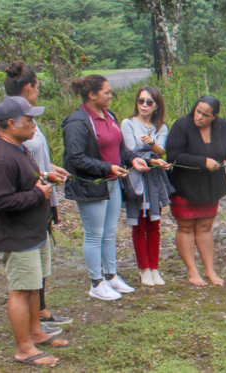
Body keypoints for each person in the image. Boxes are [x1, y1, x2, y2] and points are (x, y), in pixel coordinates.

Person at [0, 96, 70, 367]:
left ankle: (36, 332)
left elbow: (23, 183)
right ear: (11, 124)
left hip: (33, 231)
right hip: (17, 235)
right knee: (20, 290)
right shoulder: (1, 157)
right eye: (30, 120)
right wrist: (38, 192)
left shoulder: (17, 148)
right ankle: (24, 348)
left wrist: (45, 176)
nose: (35, 125)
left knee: (34, 285)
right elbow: (0, 201)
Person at [62, 75, 156, 300]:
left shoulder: (109, 116)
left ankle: (111, 275)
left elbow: (120, 148)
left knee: (110, 233)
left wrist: (132, 159)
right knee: (94, 234)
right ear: (92, 95)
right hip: (92, 186)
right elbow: (75, 158)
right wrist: (107, 167)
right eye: (106, 92)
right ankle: (96, 282)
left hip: (113, 183)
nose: (110, 95)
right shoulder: (78, 122)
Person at [2, 62, 73, 334]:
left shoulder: (28, 116)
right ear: (29, 87)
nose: (38, 91)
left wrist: (50, 168)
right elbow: (16, 163)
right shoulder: (15, 117)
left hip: (41, 194)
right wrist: (41, 178)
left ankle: (40, 312)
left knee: (41, 259)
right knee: (28, 266)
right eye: (38, 86)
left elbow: (31, 156)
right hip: (30, 198)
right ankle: (34, 322)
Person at [164, 96, 226, 287]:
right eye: (198, 111)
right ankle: (192, 270)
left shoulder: (221, 125)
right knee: (187, 227)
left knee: (205, 227)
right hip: (185, 185)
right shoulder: (181, 125)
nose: (199, 117)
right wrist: (203, 161)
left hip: (211, 185)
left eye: (205, 115)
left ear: (214, 116)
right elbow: (173, 155)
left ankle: (210, 270)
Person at [121, 86, 173, 287]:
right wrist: (152, 157)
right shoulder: (128, 123)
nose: (144, 105)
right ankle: (143, 269)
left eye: (149, 102)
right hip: (136, 177)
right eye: (141, 101)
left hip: (154, 181)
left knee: (154, 225)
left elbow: (161, 151)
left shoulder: (160, 127)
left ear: (157, 106)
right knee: (138, 225)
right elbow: (129, 151)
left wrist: (151, 145)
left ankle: (154, 267)